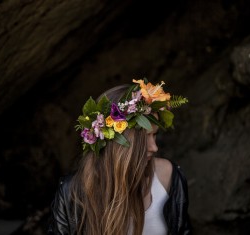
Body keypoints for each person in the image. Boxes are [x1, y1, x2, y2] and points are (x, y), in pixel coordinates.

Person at [48, 78, 192, 235]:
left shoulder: (168, 176)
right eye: (144, 140)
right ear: (118, 144)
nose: (154, 147)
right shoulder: (74, 192)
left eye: (155, 136)